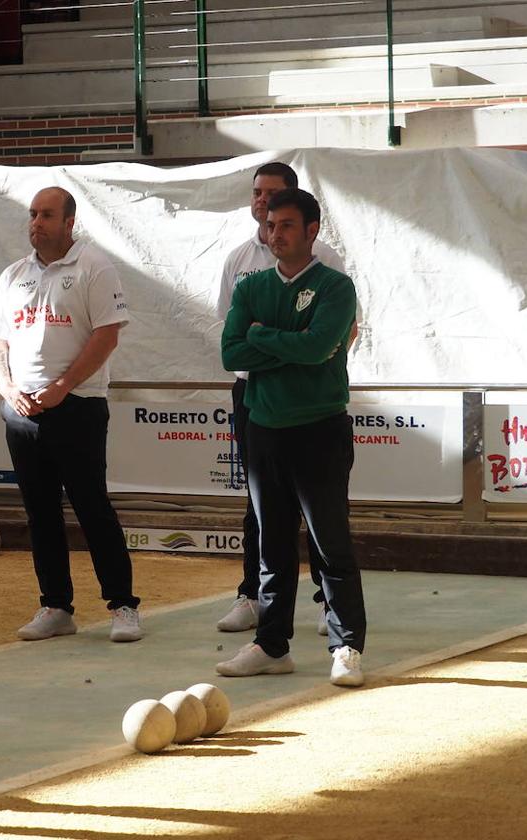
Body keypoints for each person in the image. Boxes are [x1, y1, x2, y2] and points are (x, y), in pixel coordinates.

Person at [216, 188, 367, 688]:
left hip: (320, 428)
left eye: (285, 225)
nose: (274, 233)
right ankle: (271, 645)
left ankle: (346, 647)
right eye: (270, 225)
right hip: (264, 428)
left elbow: (320, 346)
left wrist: (263, 337)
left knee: (330, 544)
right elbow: (229, 353)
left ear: (311, 231)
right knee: (272, 544)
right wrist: (290, 345)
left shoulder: (336, 287)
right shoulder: (250, 287)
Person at [0, 186, 143, 643]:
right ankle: (55, 606)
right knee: (41, 512)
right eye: (32, 214)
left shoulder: (95, 266)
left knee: (92, 507)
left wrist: (62, 388)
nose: (36, 222)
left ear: (69, 222)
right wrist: (9, 388)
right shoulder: (12, 275)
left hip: (78, 407)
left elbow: (107, 336)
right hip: (21, 412)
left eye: (46, 215)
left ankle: (123, 605)